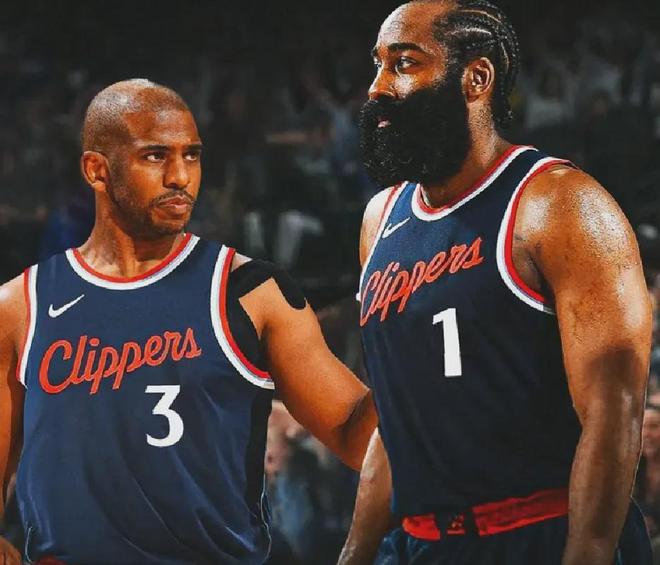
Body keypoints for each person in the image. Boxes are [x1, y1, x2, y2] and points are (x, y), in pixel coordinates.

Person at [0, 79, 377, 565]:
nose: (181, 176)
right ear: (97, 170)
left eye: (192, 156)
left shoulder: (251, 292)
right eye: (155, 156)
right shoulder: (21, 306)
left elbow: (355, 435)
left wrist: (413, 365)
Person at [338, 1, 653, 564]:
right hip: (419, 544)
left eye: (404, 64)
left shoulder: (560, 204)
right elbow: (396, 420)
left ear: (476, 78)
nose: (378, 87)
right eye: (378, 65)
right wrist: (356, 553)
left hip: (537, 533)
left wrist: (588, 551)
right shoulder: (380, 218)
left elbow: (613, 412)